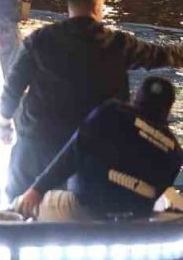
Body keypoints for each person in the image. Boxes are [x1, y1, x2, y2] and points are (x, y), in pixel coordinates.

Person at [0, 0, 183, 200]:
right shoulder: (118, 44)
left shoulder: (39, 40)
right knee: (82, 203)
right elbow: (159, 56)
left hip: (40, 140)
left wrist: (4, 121)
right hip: (93, 146)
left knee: (19, 197)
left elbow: (13, 85)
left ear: (70, 8)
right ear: (97, 9)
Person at [15, 76, 183, 222]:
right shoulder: (174, 151)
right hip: (133, 221)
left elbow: (73, 152)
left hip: (82, 209)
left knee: (19, 205)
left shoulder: (113, 112)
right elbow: (154, 193)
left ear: (137, 96)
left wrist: (38, 189)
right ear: (167, 110)